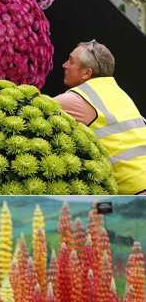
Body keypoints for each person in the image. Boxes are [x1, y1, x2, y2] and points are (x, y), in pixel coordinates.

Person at [54, 40, 146, 194]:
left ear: (86, 73)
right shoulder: (119, 94)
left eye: (70, 61)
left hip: (136, 191)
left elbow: (31, 106)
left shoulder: (76, 99)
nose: (64, 65)